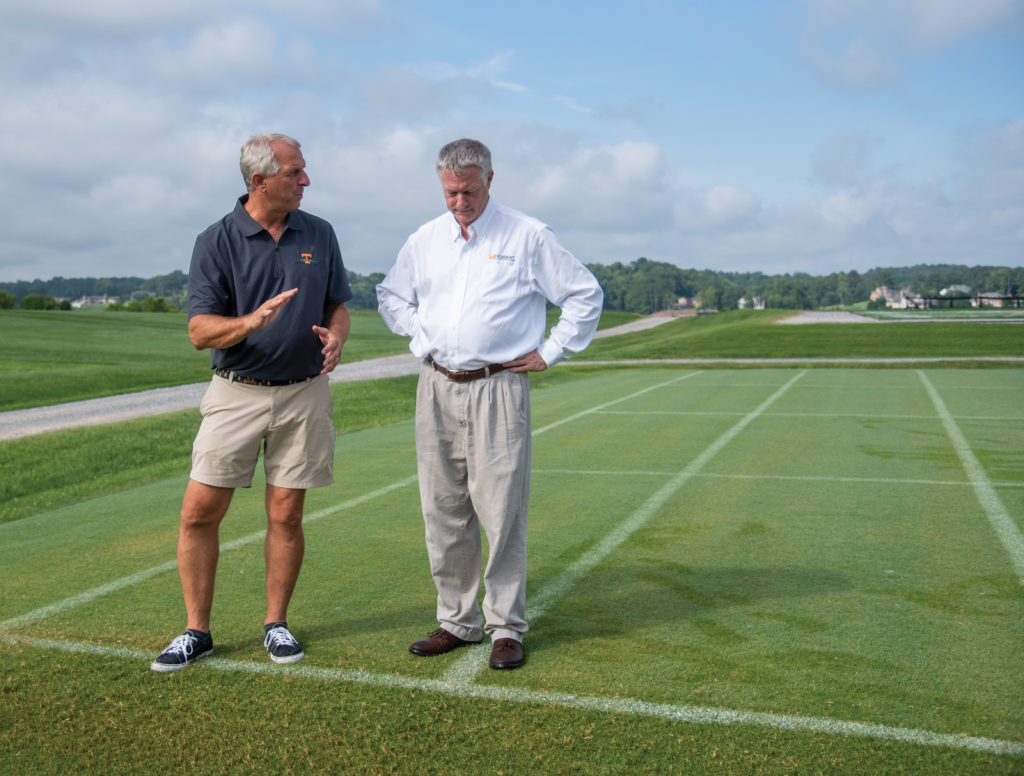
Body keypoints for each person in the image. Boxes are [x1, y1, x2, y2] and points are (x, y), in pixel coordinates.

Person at [376, 138, 603, 670]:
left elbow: (584, 294)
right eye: (451, 193)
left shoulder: (528, 235)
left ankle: (506, 627)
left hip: (499, 386)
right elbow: (391, 296)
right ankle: (457, 620)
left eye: (469, 191)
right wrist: (421, 337)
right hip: (436, 385)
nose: (459, 202)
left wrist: (551, 351)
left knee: (501, 511)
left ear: (490, 180)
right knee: (443, 509)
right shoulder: (425, 239)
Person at [151, 133, 352, 672]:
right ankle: (198, 631)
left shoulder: (321, 233)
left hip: (305, 394)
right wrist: (250, 322)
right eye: (295, 173)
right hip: (236, 392)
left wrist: (338, 336)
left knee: (286, 512)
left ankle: (276, 624)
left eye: (303, 171)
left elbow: (338, 305)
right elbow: (199, 330)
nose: (306, 180)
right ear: (259, 181)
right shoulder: (215, 240)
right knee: (199, 514)